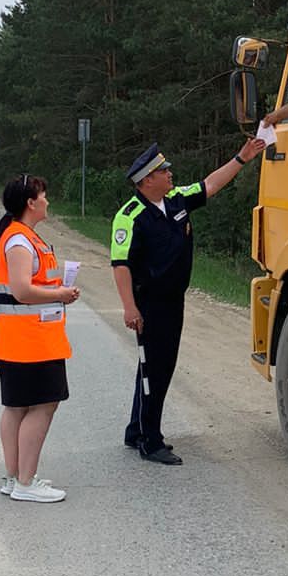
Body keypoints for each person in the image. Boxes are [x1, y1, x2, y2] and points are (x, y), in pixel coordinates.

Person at [111, 137, 265, 464]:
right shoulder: (129, 216)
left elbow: (210, 184)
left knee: (155, 367)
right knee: (156, 369)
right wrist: (129, 307)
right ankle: (150, 441)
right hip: (149, 304)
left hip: (173, 301)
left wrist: (242, 157)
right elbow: (120, 265)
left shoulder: (177, 199)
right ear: (147, 180)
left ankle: (136, 429)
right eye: (163, 171)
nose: (170, 174)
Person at [0, 174, 79, 503]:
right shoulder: (19, 241)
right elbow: (22, 290)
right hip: (32, 342)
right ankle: (26, 482)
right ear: (31, 202)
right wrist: (61, 293)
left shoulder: (20, 236)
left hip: (19, 340)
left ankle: (14, 478)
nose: (48, 201)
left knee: (16, 407)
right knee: (42, 406)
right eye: (44, 196)